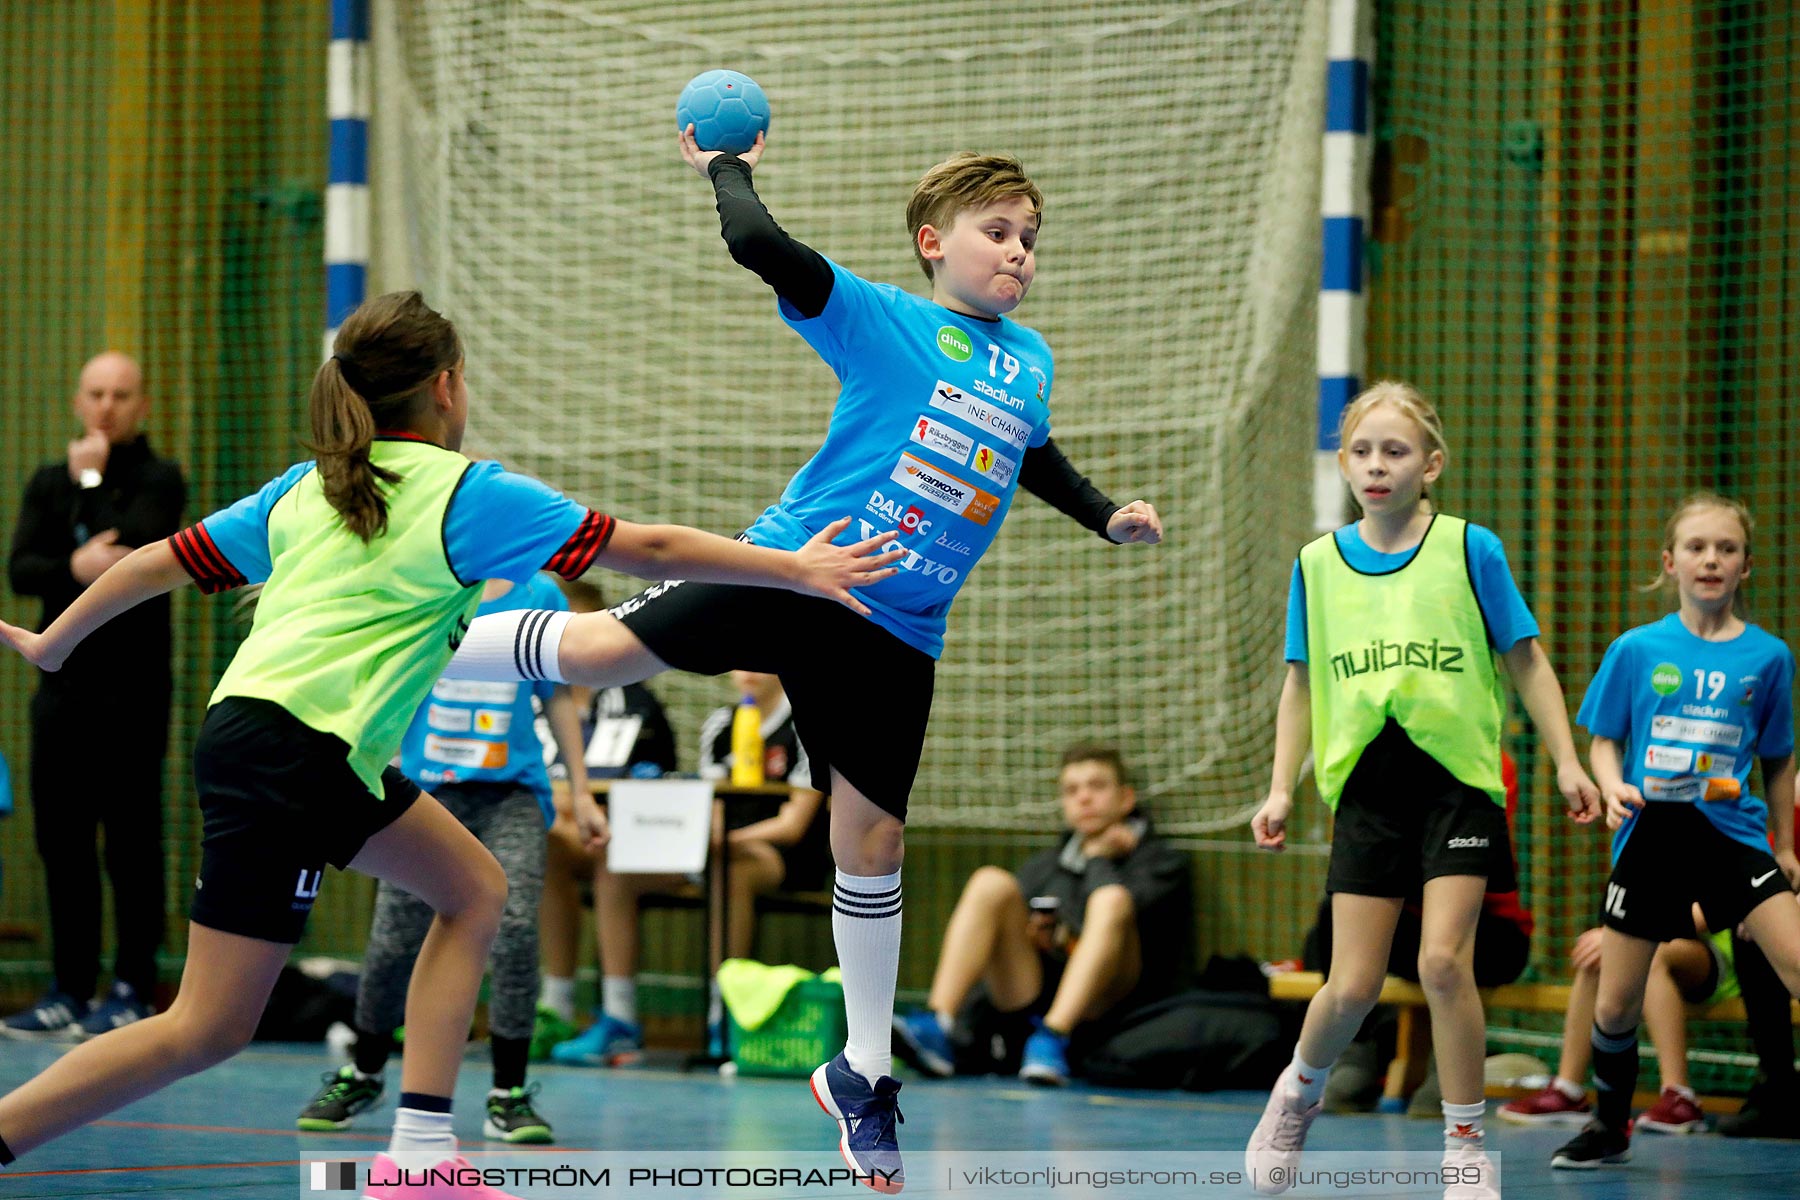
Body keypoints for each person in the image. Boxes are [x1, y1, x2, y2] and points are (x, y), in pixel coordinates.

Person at [0, 290, 899, 1199]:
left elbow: (157, 559)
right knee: (205, 1027)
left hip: (266, 738)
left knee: (472, 889)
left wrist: (55, 643)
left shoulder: (305, 487)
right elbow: (652, 546)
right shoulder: (467, 493)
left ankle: (421, 1157)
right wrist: (794, 568)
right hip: (298, 752)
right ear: (446, 386)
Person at [442, 137, 1163, 1189]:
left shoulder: (1030, 358)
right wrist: (725, 162)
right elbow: (759, 243)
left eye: (1030, 240)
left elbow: (1029, 450)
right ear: (934, 243)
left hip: (897, 628)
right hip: (796, 569)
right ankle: (420, 638)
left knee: (871, 839)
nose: (1019, 255)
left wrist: (1105, 516)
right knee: (594, 654)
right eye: (997, 234)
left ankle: (861, 1073)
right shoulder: (885, 321)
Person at [1246, 381, 1600, 1200]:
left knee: (1445, 962)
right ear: (1345, 463)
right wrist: (1280, 789)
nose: (1377, 466)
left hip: (1459, 779)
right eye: (1363, 451)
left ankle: (1466, 1145)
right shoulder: (1317, 564)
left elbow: (1527, 659)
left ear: (1430, 465)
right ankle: (1296, 1095)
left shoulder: (1471, 548)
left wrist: (1569, 760)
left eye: (1396, 451)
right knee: (1353, 983)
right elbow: (1298, 685)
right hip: (1368, 784)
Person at [1550, 491, 1800, 1170]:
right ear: (1670, 562)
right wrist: (1611, 784)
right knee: (1618, 1002)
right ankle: (1607, 1123)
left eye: (1726, 549)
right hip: (1651, 836)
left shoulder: (1770, 657)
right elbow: (1603, 740)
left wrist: (1784, 843)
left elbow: (1778, 760)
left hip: (1733, 835)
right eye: (1697, 548)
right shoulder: (1636, 649)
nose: (1711, 559)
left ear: (1746, 566)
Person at [294, 571, 589, 1145]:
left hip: (511, 797)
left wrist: (580, 790)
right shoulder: (425, 584)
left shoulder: (541, 596)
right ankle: (366, 1070)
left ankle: (509, 1092)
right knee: (393, 939)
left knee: (518, 925)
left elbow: (558, 700)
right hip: (427, 791)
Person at [4, 352, 185, 1040]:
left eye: (121, 395)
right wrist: (76, 553)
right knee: (63, 841)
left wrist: (91, 488)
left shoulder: (160, 479)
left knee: (132, 842)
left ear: (143, 406)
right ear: (78, 402)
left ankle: (134, 986)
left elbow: (137, 548)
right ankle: (68, 989)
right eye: (96, 394)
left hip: (133, 696)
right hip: (62, 695)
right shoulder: (49, 483)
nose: (107, 406)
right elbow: (25, 566)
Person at [552, 669, 830, 1066]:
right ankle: (620, 1018)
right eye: (738, 660)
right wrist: (699, 838)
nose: (746, 670)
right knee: (617, 867)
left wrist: (725, 842)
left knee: (728, 868)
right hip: (714, 848)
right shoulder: (721, 724)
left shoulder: (806, 723)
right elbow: (710, 807)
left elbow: (793, 825)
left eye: (758, 658)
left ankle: (724, 1017)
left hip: (782, 856)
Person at [891, 744, 1191, 1087]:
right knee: (990, 883)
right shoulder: (1045, 866)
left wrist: (1098, 859)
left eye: (1096, 786)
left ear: (1125, 798)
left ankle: (1054, 1034)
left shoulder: (1163, 863)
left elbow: (1127, 927)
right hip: (1033, 1000)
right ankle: (938, 1024)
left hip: (1111, 1007)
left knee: (1111, 900)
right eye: (1072, 790)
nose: (1084, 798)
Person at [1304, 750, 1535, 1115]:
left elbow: (1471, 867)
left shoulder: (1488, 761)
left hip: (1490, 932)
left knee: (1443, 954)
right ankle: (1356, 1054)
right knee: (1331, 919)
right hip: (1409, 924)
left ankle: (1449, 1076)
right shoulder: (1370, 760)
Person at [533, 576, 678, 1058]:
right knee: (546, 843)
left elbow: (654, 786)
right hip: (563, 832)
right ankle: (556, 1005)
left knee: (612, 858)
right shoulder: (533, 697)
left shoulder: (634, 699)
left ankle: (619, 1015)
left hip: (628, 839)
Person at [1501, 907, 1726, 1133]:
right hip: (1655, 935)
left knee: (1648, 954)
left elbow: (1713, 909)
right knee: (1597, 955)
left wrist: (1632, 934)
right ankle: (1567, 1090)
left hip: (1715, 955)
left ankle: (1680, 1096)